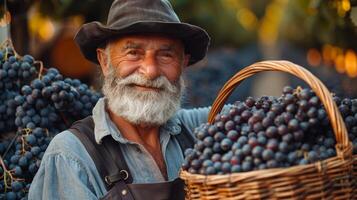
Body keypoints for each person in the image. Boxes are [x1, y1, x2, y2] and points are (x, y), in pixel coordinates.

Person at [29, 0, 211, 199]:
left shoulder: (197, 130)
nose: (150, 71)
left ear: (183, 64)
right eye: (133, 53)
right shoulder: (71, 156)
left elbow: (247, 114)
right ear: (105, 62)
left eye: (166, 55)